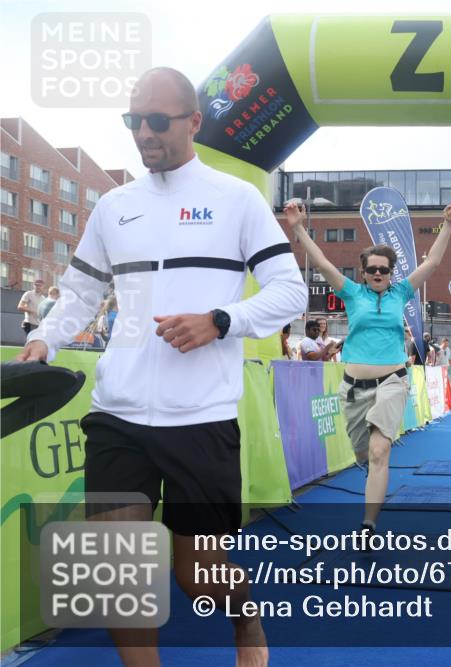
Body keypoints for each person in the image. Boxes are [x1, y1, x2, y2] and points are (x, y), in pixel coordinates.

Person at [16, 66, 307, 667]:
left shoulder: (237, 198)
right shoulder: (114, 206)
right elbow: (79, 292)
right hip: (118, 413)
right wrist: (45, 338)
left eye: (156, 121)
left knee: (198, 575)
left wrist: (219, 321)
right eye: (133, 121)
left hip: (202, 417)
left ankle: (245, 617)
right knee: (118, 577)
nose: (143, 134)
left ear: (194, 122)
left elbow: (289, 293)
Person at [282, 199, 451, 539]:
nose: (378, 274)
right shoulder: (351, 294)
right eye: (373, 269)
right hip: (353, 389)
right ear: (363, 272)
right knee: (363, 453)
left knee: (380, 451)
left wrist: (448, 224)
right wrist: (298, 228)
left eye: (384, 269)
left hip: (392, 381)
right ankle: (371, 484)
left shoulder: (401, 293)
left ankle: (368, 525)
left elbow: (433, 262)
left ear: (392, 273)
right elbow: (321, 261)